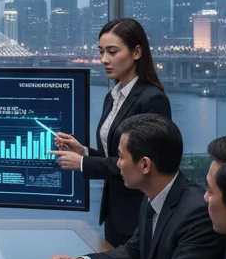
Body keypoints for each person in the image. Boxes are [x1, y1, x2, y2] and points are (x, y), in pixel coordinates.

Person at [45, 114, 226, 259]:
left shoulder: (197, 212)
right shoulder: (154, 194)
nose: (118, 164)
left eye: (121, 157)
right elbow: (133, 251)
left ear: (145, 165)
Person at [51, 17, 171, 246]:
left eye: (113, 51)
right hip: (115, 215)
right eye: (101, 52)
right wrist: (84, 151)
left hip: (139, 217)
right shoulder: (113, 97)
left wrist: (82, 163)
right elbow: (117, 159)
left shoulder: (152, 100)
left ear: (137, 53)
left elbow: (141, 166)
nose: (104, 59)